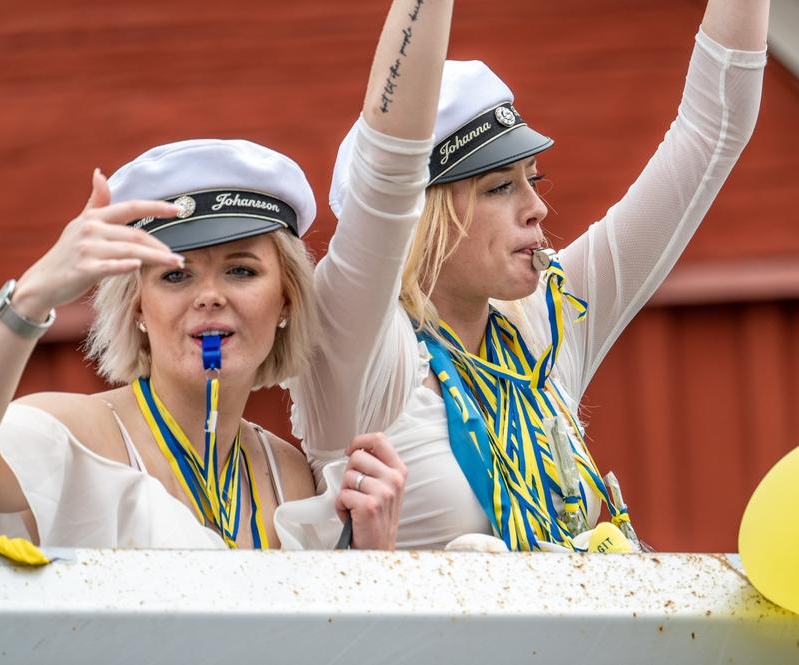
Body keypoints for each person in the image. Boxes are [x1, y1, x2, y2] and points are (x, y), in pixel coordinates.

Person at [288, 0, 770, 550]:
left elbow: (713, 131)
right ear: (419, 217)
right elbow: (388, 173)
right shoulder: (361, 351)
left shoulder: (542, 323)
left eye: (532, 180)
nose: (537, 208)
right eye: (500, 187)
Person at [0, 139, 405, 550]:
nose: (209, 296)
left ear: (286, 302)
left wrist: (370, 561)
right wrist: (32, 296)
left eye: (240, 270)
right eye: (175, 275)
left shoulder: (289, 475)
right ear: (138, 309)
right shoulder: (72, 435)